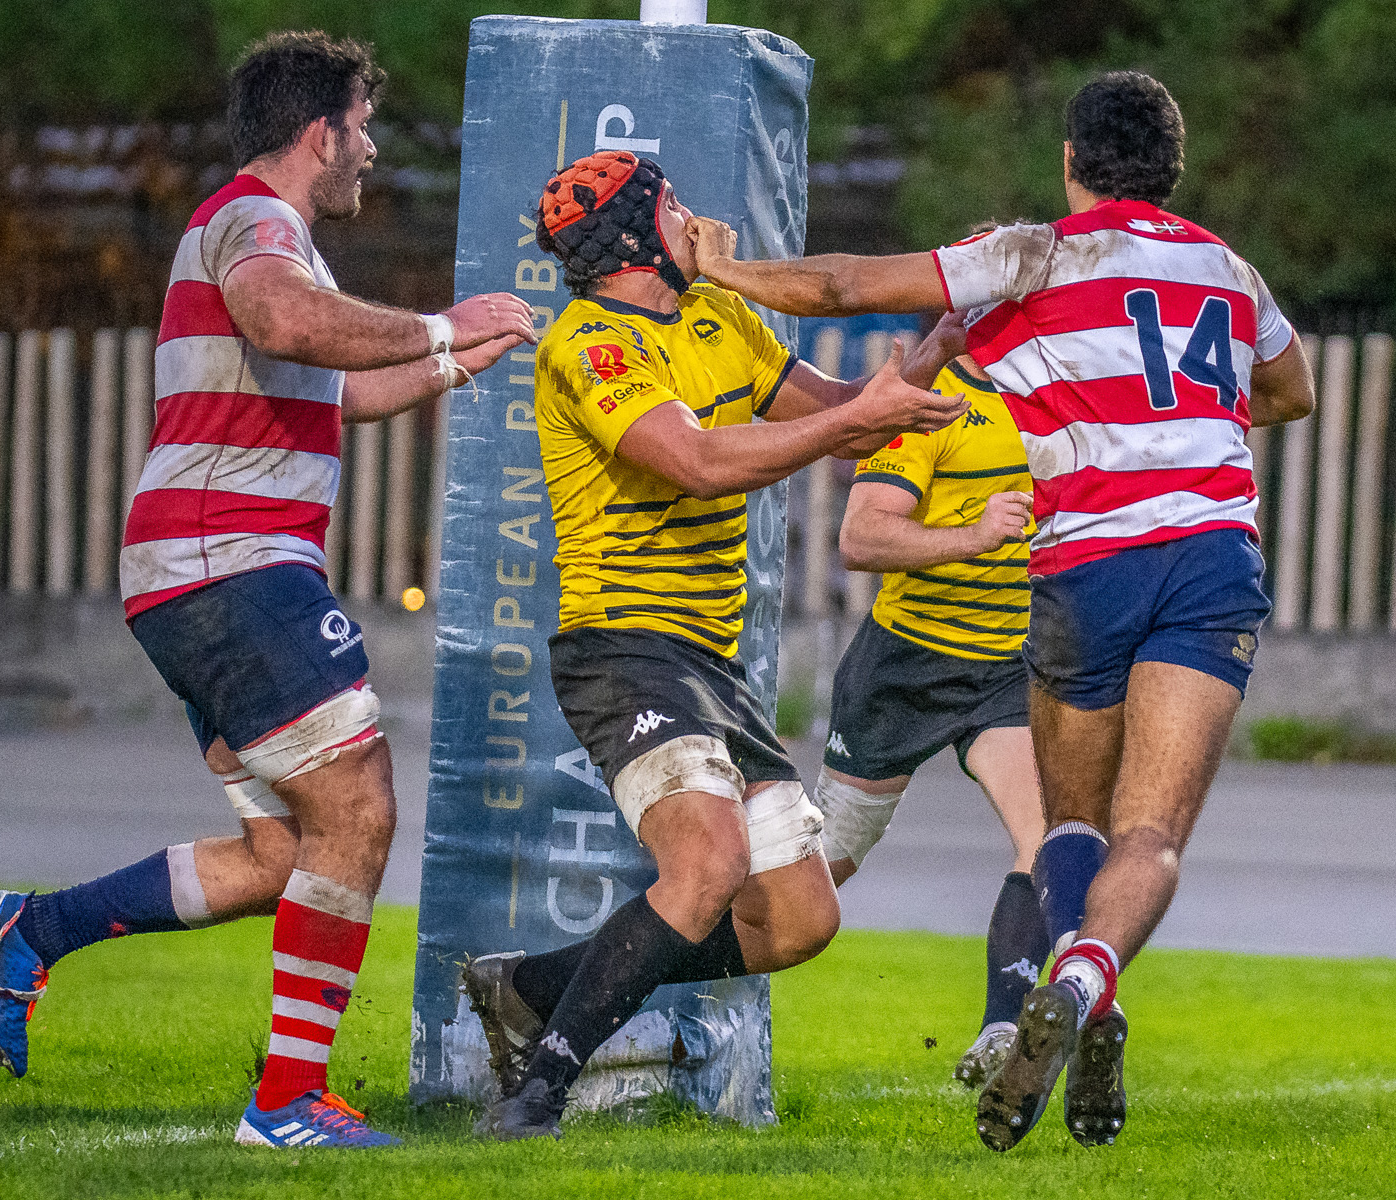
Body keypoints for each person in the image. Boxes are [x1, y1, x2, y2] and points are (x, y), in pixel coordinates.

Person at [688, 70, 1316, 1152]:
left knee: (1073, 824)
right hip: (1212, 559)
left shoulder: (1034, 255)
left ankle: (1080, 991)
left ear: (1073, 162)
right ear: (1174, 169)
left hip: (1088, 567)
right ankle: (1085, 983)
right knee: (1153, 833)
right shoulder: (1225, 267)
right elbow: (1291, 391)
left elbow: (840, 284)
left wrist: (721, 265)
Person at [0, 31, 536, 1148]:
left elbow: (330, 391)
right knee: (358, 804)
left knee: (286, 854)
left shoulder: (273, 241)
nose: (368, 149)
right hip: (231, 560)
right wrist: (440, 324)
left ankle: (32, 932)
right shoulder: (257, 223)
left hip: (197, 570)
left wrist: (458, 359)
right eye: (361, 127)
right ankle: (286, 1107)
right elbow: (282, 322)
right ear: (320, 132)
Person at [459, 150, 970, 1141]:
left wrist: (938, 345)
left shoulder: (717, 316)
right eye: (678, 206)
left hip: (710, 663)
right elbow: (691, 461)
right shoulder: (588, 344)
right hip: (623, 647)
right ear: (639, 235)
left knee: (800, 920)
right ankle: (533, 1097)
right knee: (708, 861)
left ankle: (530, 989)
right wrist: (861, 415)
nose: (700, 223)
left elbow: (842, 421)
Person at [819, 346, 1050, 1091]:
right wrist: (975, 537)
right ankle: (648, 957)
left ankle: (1003, 1027)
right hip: (904, 669)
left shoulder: (1068, 397)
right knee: (810, 889)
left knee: (1048, 840)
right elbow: (861, 537)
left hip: (1008, 671)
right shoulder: (927, 403)